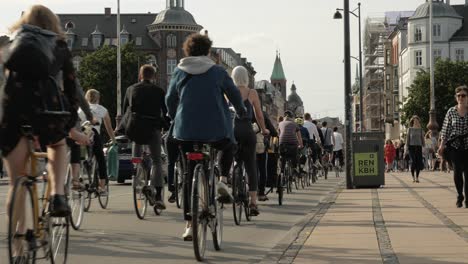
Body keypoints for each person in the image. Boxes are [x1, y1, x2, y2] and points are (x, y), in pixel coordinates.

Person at [1, 5, 82, 217]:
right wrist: (70, 122)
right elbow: (72, 86)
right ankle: (57, 195)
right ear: (52, 23)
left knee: (16, 182)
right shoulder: (59, 45)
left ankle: (18, 243)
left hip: (13, 111)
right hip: (47, 110)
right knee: (57, 144)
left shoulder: (11, 44)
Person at [165, 33, 246, 240]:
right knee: (228, 145)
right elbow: (234, 94)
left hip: (185, 130)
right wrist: (242, 111)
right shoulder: (217, 71)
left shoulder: (179, 72)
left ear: (187, 51)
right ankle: (222, 179)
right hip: (215, 129)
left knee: (188, 173)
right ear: (207, 51)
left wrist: (176, 117)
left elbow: (169, 99)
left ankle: (189, 225)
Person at [226, 65, 269, 215]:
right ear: (246, 77)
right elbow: (259, 115)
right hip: (247, 131)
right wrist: (264, 129)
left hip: (232, 131)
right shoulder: (252, 93)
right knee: (251, 166)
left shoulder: (228, 92)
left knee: (230, 157)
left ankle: (230, 180)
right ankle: (253, 203)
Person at [123, 64, 167, 210]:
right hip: (153, 128)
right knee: (156, 161)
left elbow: (125, 110)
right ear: (153, 77)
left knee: (137, 151)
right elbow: (165, 111)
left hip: (135, 128)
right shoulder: (159, 91)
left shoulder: (130, 89)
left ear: (140, 76)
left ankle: (136, 172)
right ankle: (159, 195)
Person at [78, 89, 116, 194]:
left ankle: (80, 176)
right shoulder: (102, 110)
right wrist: (113, 140)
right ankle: (102, 187)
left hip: (82, 134)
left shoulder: (80, 109)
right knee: (100, 158)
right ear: (98, 98)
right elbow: (109, 127)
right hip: (94, 134)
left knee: (80, 156)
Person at [438, 85, 468, 208]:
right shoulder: (451, 111)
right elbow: (445, 130)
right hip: (455, 146)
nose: (461, 97)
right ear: (456, 98)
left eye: (463, 95)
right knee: (457, 171)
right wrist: (441, 146)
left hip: (467, 146)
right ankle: (460, 195)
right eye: (458, 95)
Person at [257, 110, 277, 202]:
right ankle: (261, 193)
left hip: (241, 141)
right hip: (259, 145)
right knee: (262, 168)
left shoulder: (239, 108)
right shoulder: (262, 114)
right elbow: (273, 132)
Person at [278, 111, 303, 177]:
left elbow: (279, 134)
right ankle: (294, 168)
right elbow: (299, 137)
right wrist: (301, 145)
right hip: (293, 144)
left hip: (282, 144)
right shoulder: (295, 124)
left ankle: (282, 172)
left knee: (283, 157)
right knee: (294, 156)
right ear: (292, 117)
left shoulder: (280, 123)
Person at [404, 115, 425, 183]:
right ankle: (413, 176)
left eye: (417, 120)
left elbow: (423, 139)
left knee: (418, 162)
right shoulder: (409, 129)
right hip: (411, 147)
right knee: (413, 162)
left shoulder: (420, 129)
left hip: (418, 147)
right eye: (415, 120)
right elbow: (407, 139)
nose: (416, 122)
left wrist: (424, 148)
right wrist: (406, 149)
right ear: (412, 122)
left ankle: (417, 177)